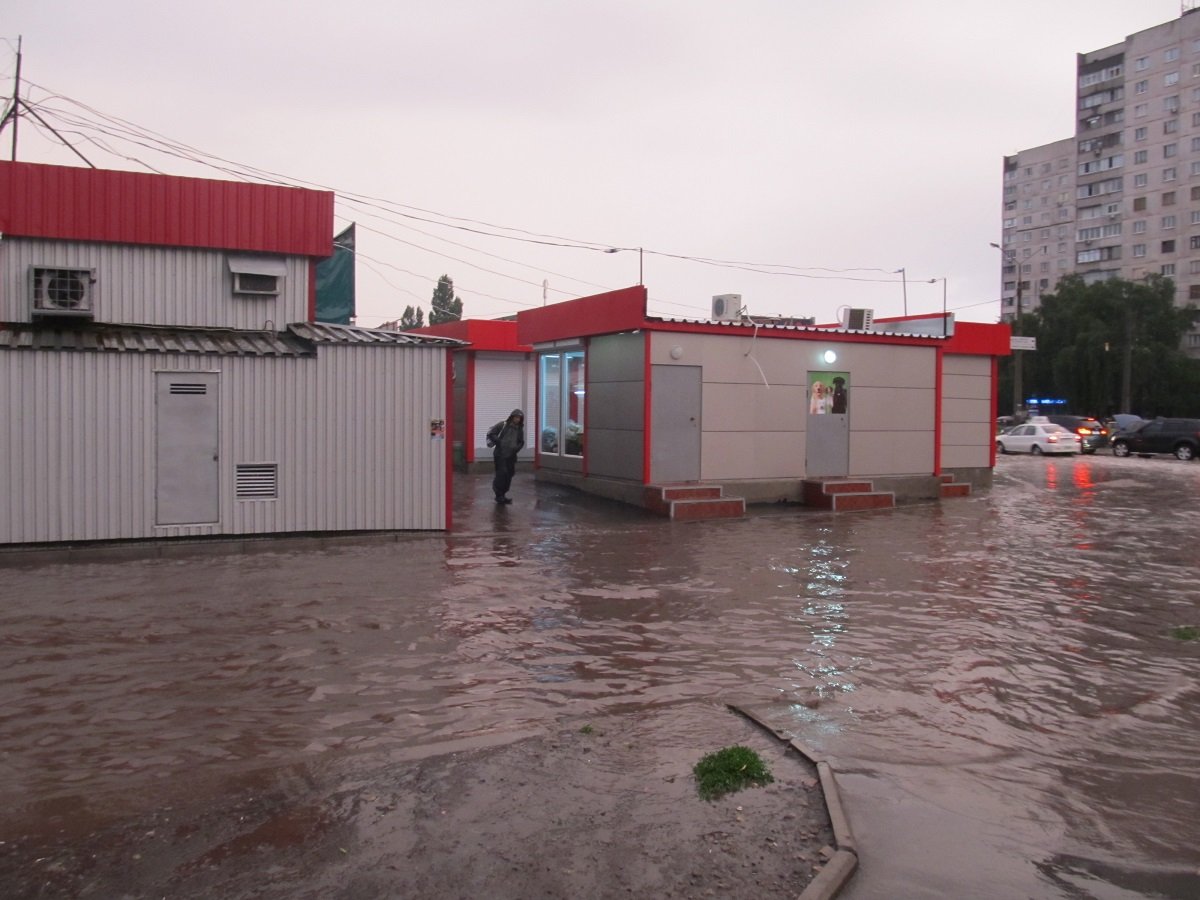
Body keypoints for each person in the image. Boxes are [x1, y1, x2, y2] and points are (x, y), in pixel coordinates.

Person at [486, 409, 525, 504]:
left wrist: (516, 448)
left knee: (509, 475)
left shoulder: (520, 429)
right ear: (512, 417)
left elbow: (521, 442)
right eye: (516, 417)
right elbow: (492, 434)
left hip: (511, 456)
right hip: (500, 455)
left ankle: (503, 494)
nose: (517, 419)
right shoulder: (502, 425)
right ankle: (498, 495)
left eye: (519, 418)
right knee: (501, 474)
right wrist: (499, 442)